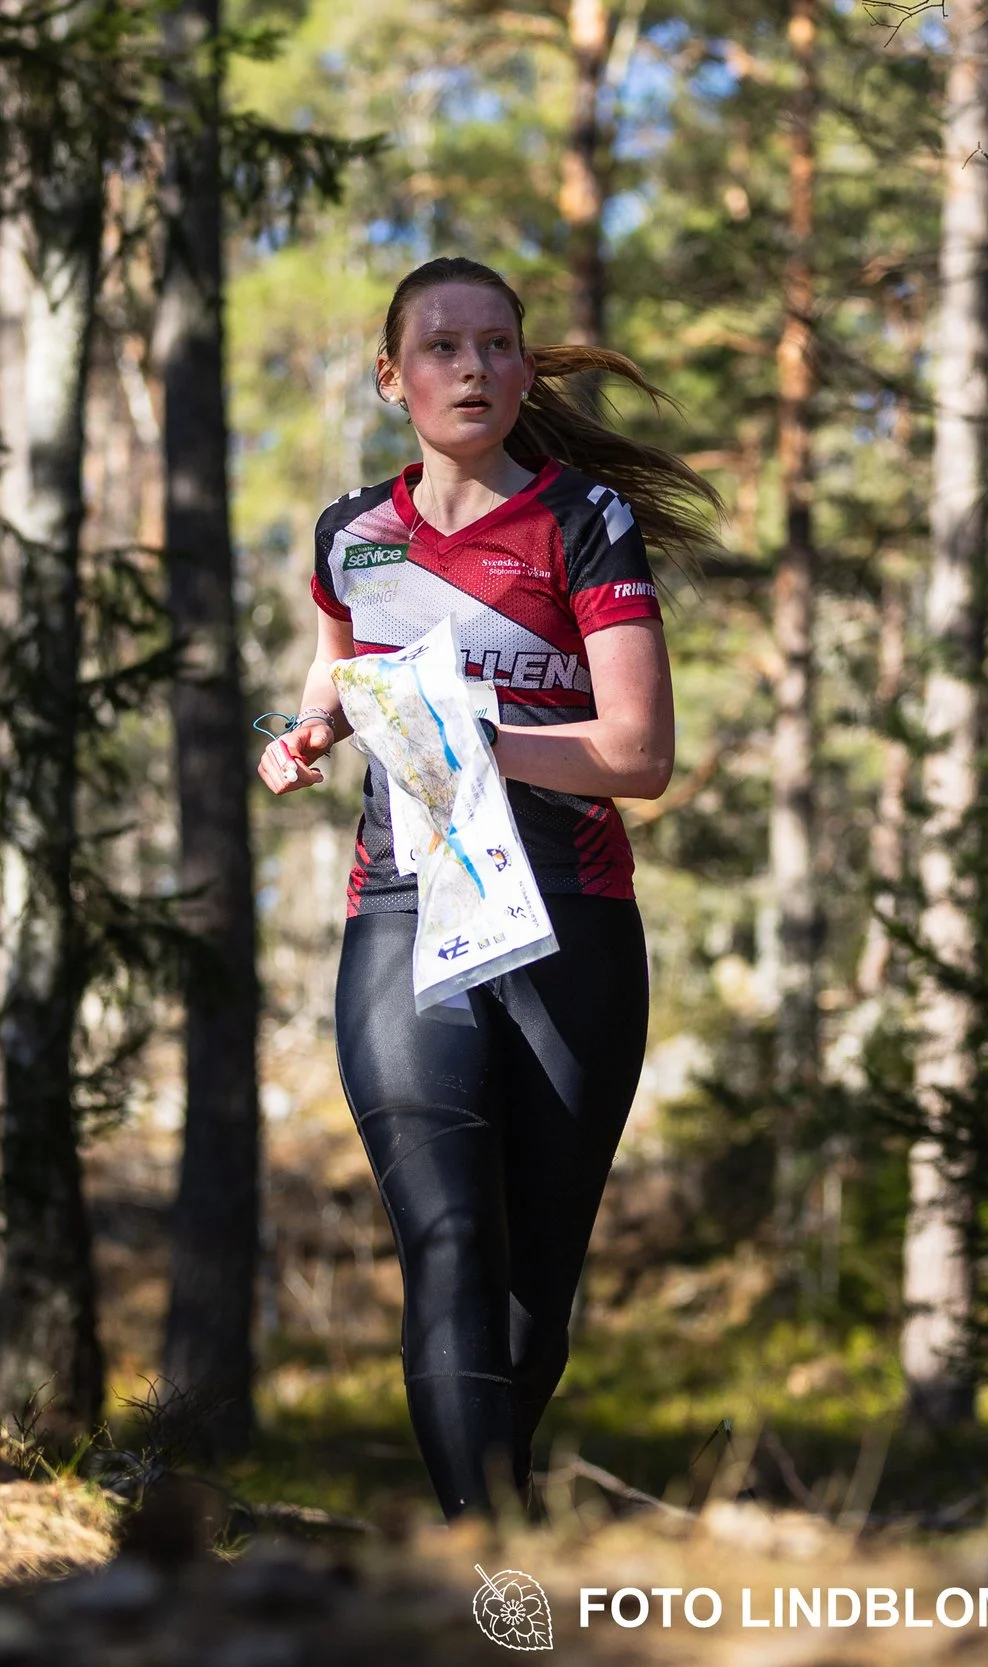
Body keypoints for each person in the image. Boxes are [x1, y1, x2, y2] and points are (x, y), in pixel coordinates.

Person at [258, 256, 715, 1519]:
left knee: (529, 1296)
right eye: (442, 347)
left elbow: (640, 755)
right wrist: (308, 732)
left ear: (522, 370)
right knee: (450, 1243)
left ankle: (497, 1527)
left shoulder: (583, 520)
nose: (472, 367)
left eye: (496, 345)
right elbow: (338, 666)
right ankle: (484, 1564)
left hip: (568, 916)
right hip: (404, 913)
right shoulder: (352, 533)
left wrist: (469, 738)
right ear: (392, 377)